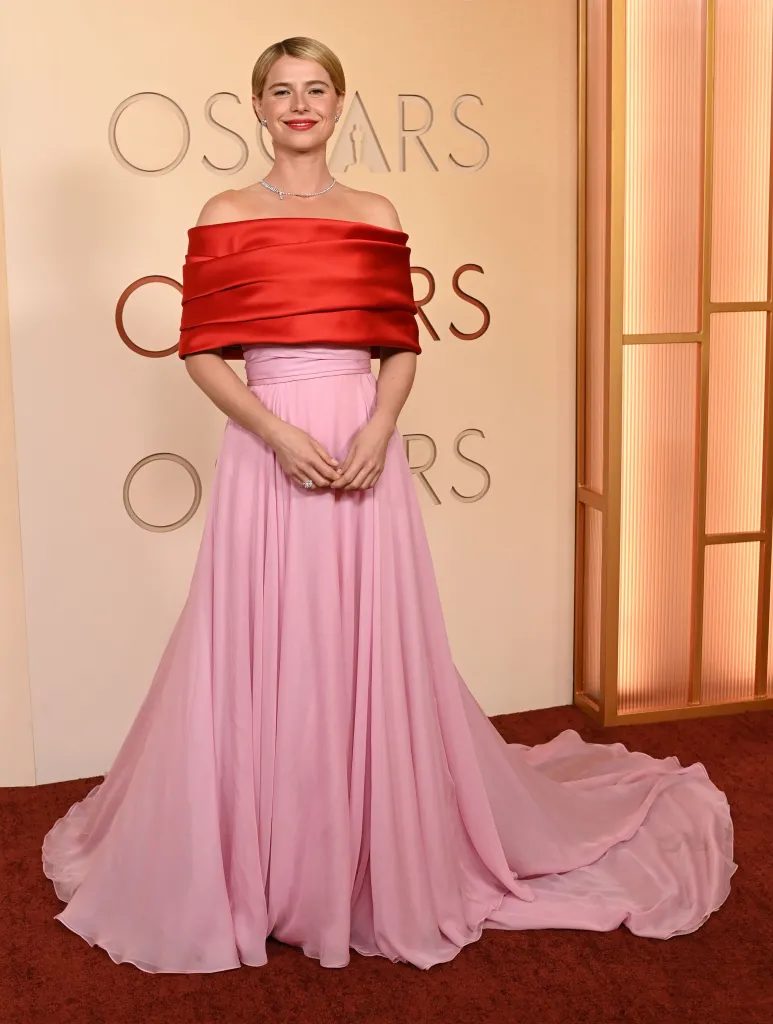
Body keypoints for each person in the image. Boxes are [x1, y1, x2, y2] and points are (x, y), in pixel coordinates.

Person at [41, 36, 736, 974]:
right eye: (281, 91)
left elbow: (400, 346)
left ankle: (368, 854)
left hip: (365, 446)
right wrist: (276, 434)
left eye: (316, 89)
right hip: (266, 445)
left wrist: (380, 426)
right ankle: (270, 862)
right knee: (264, 640)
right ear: (255, 107)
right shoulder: (225, 211)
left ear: (339, 104)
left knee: (363, 640)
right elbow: (203, 351)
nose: (299, 105)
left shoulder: (374, 211)